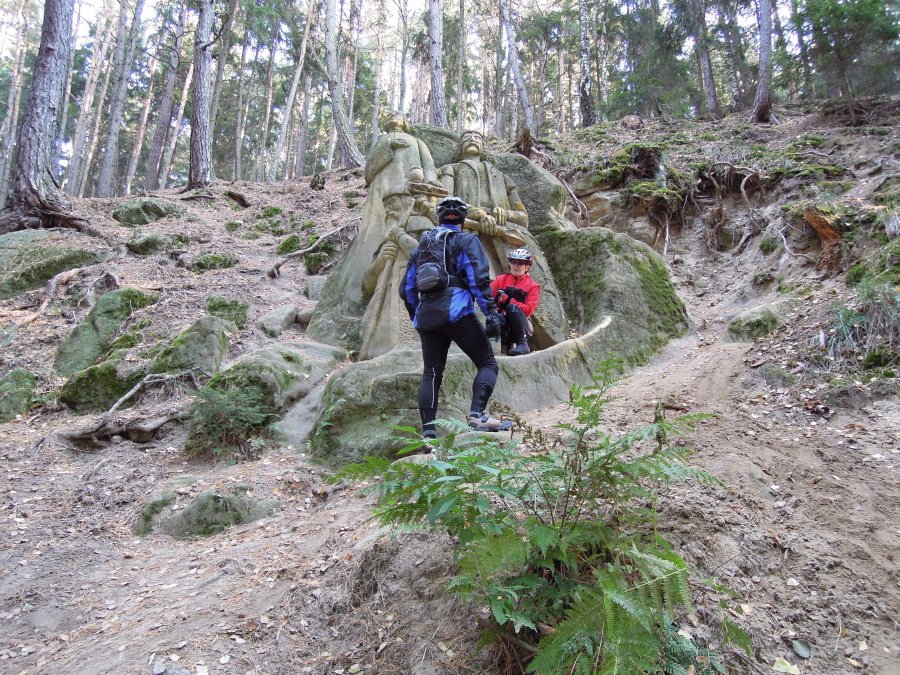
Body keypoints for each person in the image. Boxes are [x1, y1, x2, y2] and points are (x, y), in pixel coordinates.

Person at [400, 196, 512, 442]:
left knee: (431, 373)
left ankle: (429, 434)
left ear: (439, 221)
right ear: (463, 222)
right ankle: (477, 416)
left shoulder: (421, 249)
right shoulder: (467, 240)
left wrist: (417, 317)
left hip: (428, 318)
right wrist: (491, 314)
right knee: (487, 362)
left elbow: (406, 290)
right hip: (458, 312)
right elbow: (478, 280)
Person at [491, 248, 540, 356]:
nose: (515, 266)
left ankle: (522, 344)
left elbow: (528, 310)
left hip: (523, 326)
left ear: (528, 267)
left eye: (520, 263)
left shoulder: (533, 286)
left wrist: (508, 300)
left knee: (512, 307)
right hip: (502, 322)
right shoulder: (500, 280)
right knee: (497, 316)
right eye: (513, 262)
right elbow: (486, 297)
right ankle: (502, 346)